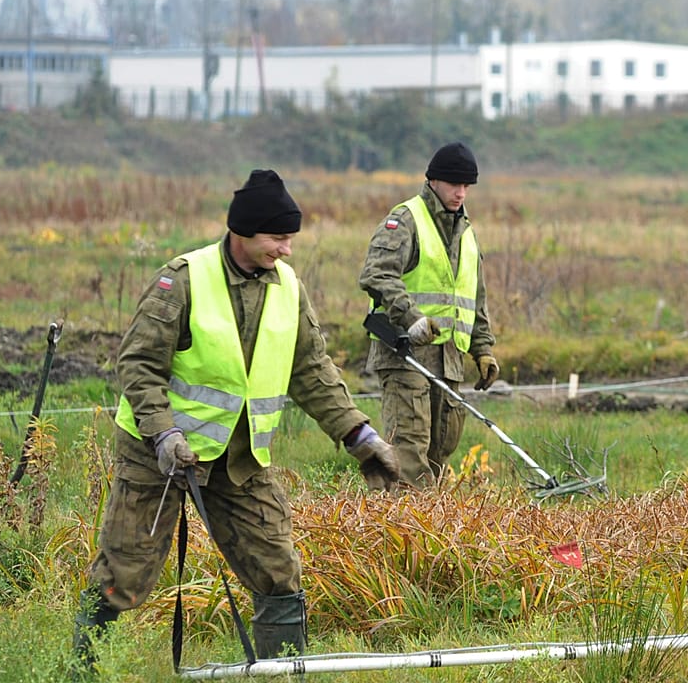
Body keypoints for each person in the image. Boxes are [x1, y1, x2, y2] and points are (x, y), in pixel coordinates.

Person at [72, 169, 401, 670]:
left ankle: (285, 674)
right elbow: (138, 365)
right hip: (158, 456)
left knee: (278, 573)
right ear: (242, 232)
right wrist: (163, 433)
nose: (286, 250)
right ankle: (80, 672)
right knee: (124, 576)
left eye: (290, 238)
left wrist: (359, 434)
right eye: (277, 238)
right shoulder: (180, 281)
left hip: (241, 461)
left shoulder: (290, 288)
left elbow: (312, 371)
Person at [358, 141, 500, 487]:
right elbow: (376, 274)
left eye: (466, 186)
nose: (461, 193)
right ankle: (401, 533)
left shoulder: (466, 233)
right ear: (433, 180)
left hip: (449, 359)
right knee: (408, 452)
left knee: (440, 452)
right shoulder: (405, 220)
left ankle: (429, 530)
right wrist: (412, 318)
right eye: (454, 184)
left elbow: (474, 298)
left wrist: (482, 349)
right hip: (405, 352)